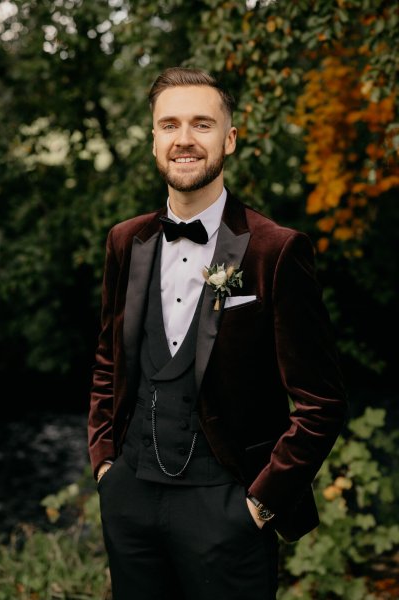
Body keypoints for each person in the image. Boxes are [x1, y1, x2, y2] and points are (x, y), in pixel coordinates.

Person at [88, 67, 347, 600]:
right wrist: (105, 464)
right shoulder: (124, 242)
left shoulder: (276, 251)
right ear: (154, 138)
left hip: (227, 509)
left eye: (202, 124)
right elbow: (108, 361)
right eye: (169, 125)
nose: (184, 139)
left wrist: (259, 504)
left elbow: (322, 402)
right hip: (130, 499)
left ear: (229, 138)